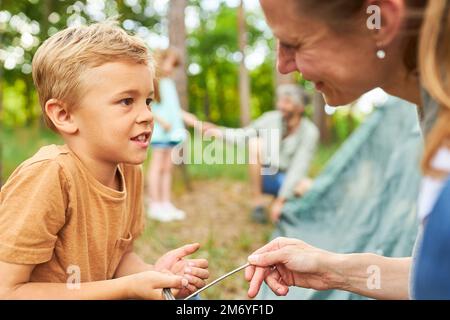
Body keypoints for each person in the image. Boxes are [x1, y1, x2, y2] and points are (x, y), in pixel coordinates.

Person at [245, 0, 450, 300]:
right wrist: (332, 270)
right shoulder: (433, 110)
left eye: (294, 43)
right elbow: (436, 277)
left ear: (379, 23)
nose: (283, 65)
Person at [0, 21, 209, 299]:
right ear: (64, 115)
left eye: (148, 101)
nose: (147, 115)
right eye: (126, 101)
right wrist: (126, 289)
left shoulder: (129, 169)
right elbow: (8, 291)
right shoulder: (49, 176)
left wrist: (155, 276)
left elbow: (121, 259)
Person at [206, 84, 319, 224]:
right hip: (266, 174)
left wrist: (281, 199)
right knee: (255, 143)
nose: (280, 105)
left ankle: (283, 206)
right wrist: (219, 132)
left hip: (287, 178)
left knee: (309, 186)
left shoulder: (310, 132)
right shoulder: (270, 119)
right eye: (280, 101)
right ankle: (257, 204)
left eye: (287, 102)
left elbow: (299, 168)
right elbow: (244, 135)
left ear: (300, 108)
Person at [146, 48, 202, 222]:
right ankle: (154, 204)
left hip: (173, 133)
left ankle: (165, 202)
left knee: (167, 168)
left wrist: (189, 118)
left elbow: (174, 109)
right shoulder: (153, 82)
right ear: (161, 61)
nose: (172, 68)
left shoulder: (169, 83)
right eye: (171, 63)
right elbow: (146, 105)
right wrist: (161, 121)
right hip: (160, 132)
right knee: (157, 166)